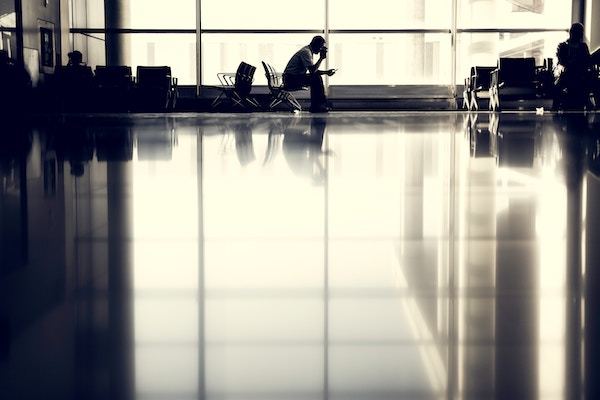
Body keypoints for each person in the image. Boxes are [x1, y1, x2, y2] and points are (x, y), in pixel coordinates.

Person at [283, 36, 336, 113]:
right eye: (321, 47)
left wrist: (326, 72)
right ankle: (318, 106)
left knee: (316, 77)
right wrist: (321, 58)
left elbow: (313, 71)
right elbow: (312, 71)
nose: (321, 49)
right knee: (316, 78)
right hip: (291, 79)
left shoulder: (308, 51)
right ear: (316, 45)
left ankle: (318, 105)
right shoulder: (306, 52)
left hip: (292, 77)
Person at [555, 23, 591, 110]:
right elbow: (562, 61)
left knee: (558, 88)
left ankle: (556, 106)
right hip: (571, 74)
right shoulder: (564, 46)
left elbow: (587, 61)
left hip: (577, 75)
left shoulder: (581, 46)